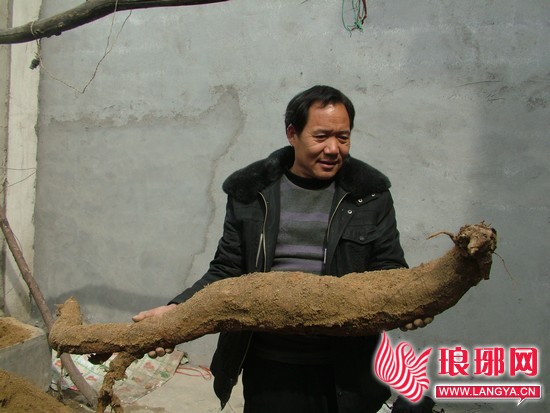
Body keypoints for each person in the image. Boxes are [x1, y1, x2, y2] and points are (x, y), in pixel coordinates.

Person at [133, 85, 432, 413]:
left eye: (343, 137)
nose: (333, 149)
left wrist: (409, 302)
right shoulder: (251, 192)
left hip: (348, 365)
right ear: (292, 134)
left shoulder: (369, 195)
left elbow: (389, 268)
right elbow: (227, 270)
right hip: (271, 364)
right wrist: (178, 310)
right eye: (321, 137)